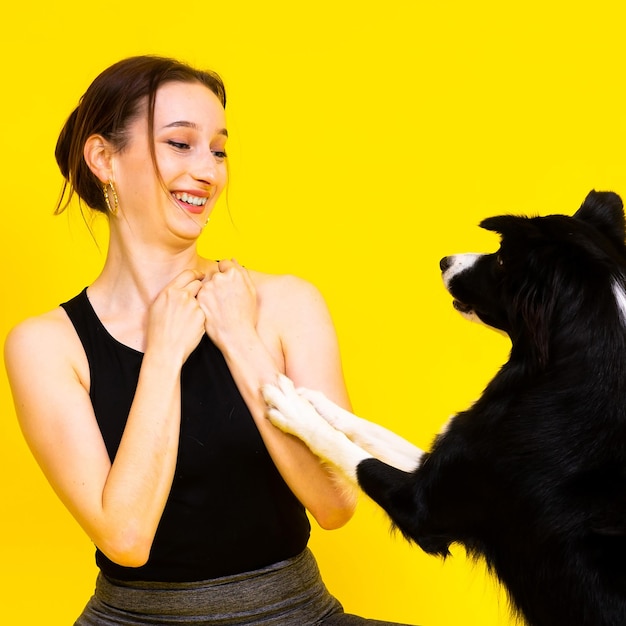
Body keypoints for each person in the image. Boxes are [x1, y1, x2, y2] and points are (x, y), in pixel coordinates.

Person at [4, 55, 414, 626]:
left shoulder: (286, 305)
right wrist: (164, 355)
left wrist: (241, 342)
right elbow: (126, 538)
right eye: (180, 144)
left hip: (296, 613)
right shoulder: (47, 345)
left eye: (218, 150)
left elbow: (336, 502)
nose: (208, 171)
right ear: (104, 159)